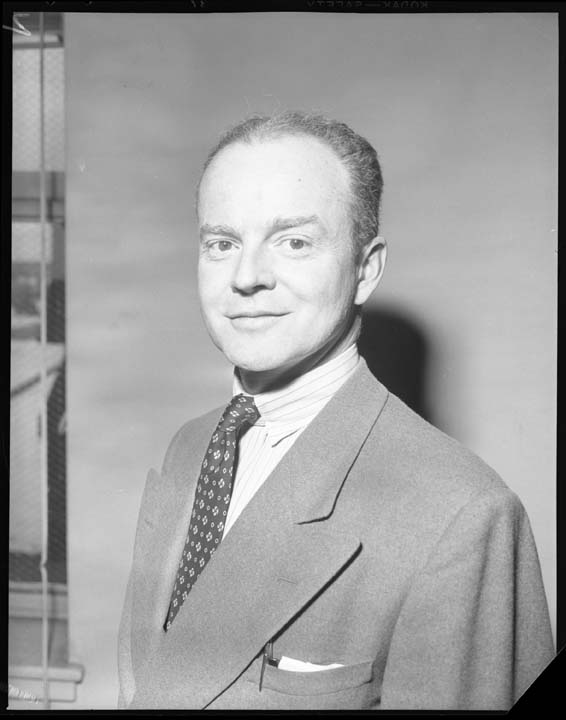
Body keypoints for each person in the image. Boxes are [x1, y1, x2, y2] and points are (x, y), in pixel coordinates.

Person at [117, 111, 554, 710]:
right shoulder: (192, 447)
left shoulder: (465, 514)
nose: (246, 277)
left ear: (365, 271)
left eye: (294, 242)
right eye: (223, 243)